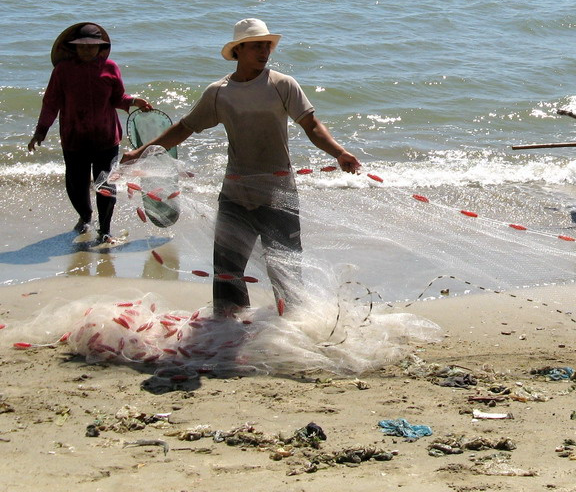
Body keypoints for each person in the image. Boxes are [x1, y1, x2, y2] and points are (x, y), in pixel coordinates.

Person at [122, 18, 361, 316]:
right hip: (236, 192)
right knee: (227, 269)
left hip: (279, 192)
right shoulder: (219, 92)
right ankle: (228, 328)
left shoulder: (282, 84)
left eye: (267, 46)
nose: (264, 52)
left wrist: (339, 153)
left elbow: (311, 125)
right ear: (239, 50)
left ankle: (293, 325)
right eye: (256, 46)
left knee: (285, 267)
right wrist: (141, 152)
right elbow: (185, 127)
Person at [28, 22, 153, 243]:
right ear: (73, 47)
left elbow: (117, 98)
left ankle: (105, 229)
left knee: (106, 185)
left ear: (101, 47)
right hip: (74, 137)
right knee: (76, 184)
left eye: (92, 46)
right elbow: (51, 103)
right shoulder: (62, 71)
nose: (87, 50)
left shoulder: (110, 67)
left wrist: (134, 101)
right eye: (81, 46)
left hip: (106, 137)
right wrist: (41, 131)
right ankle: (85, 216)